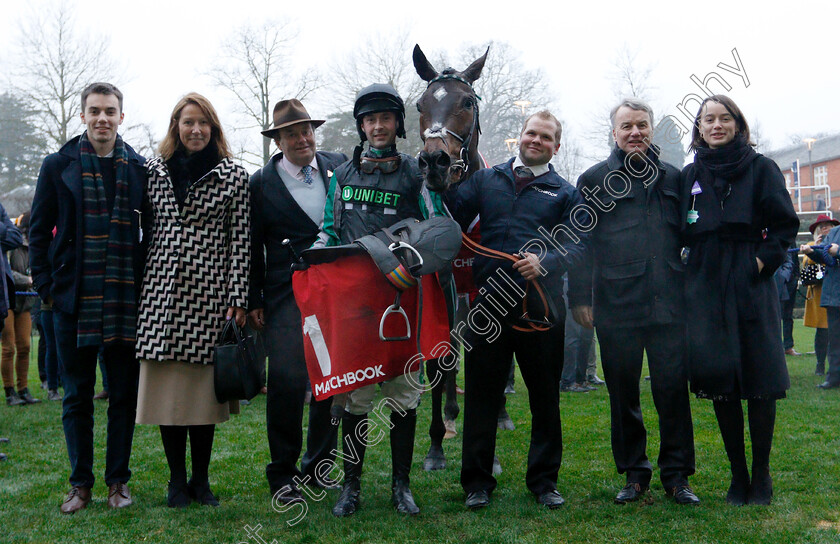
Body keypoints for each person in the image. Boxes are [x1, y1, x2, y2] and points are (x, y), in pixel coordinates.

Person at [444, 110, 588, 510]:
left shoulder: (565, 192)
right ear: (519, 137)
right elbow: (450, 211)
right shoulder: (486, 180)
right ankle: (476, 483)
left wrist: (547, 261)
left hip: (540, 308)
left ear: (556, 146)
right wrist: (446, 174)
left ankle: (544, 482)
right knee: (481, 397)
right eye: (531, 133)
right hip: (489, 304)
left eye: (545, 137)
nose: (536, 141)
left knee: (545, 398)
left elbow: (580, 245)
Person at [317, 83, 444, 517]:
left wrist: (439, 189)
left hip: (403, 302)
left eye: (384, 119)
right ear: (361, 126)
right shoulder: (342, 175)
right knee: (356, 399)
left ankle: (401, 486)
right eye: (369, 120)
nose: (376, 126)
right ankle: (350, 487)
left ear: (397, 124)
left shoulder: (415, 173)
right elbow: (329, 232)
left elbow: (437, 230)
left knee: (404, 395)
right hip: (356, 307)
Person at [569, 98, 698, 505]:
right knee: (623, 394)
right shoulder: (593, 180)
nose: (635, 132)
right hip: (616, 305)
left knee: (672, 391)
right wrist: (579, 298)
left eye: (642, 125)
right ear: (615, 133)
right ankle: (634, 473)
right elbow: (580, 245)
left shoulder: (674, 178)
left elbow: (689, 238)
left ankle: (677, 477)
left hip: (668, 304)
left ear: (652, 129)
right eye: (627, 126)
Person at [30, 82, 147, 513]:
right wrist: (47, 285)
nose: (102, 118)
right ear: (83, 115)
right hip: (71, 301)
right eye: (94, 110)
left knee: (122, 396)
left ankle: (118, 482)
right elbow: (38, 232)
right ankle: (80, 484)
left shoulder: (138, 167)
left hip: (123, 300)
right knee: (77, 396)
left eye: (110, 111)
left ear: (121, 115)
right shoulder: (57, 165)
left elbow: (149, 234)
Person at [681, 95, 798, 505]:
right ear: (699, 127)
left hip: (751, 282)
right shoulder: (690, 173)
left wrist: (760, 264)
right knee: (722, 383)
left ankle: (761, 475)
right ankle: (737, 475)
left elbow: (785, 226)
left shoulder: (761, 168)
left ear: (737, 123)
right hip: (706, 285)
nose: (716, 125)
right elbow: (680, 228)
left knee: (761, 379)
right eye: (707, 120)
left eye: (723, 118)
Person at [135, 93, 250, 508]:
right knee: (169, 396)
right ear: (175, 127)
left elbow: (240, 242)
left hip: (210, 295)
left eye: (203, 122)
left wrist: (237, 296)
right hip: (161, 293)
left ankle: (201, 481)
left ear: (214, 128)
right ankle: (175, 481)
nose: (196, 129)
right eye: (188, 122)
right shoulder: (152, 171)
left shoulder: (234, 177)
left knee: (203, 397)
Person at [248, 99, 345, 502]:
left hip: (334, 292)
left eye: (306, 131)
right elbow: (252, 246)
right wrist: (253, 297)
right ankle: (283, 475)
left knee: (329, 382)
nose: (302, 139)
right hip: (285, 296)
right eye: (291, 133)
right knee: (287, 385)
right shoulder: (260, 183)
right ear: (279, 140)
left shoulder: (337, 165)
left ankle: (319, 468)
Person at [3, 212, 39, 406]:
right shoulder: (10, 244)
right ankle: (9, 391)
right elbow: (8, 274)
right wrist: (28, 281)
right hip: (8, 300)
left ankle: (23, 389)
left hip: (24, 304)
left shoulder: (33, 246)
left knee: (24, 345)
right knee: (8, 347)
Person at [801, 215, 838, 376]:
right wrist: (813, 250)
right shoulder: (816, 243)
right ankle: (824, 368)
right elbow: (811, 262)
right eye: (821, 226)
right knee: (826, 334)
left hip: (832, 290)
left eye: (827, 225)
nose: (825, 228)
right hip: (823, 294)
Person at [775, 251, 800, 356]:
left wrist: (795, 277)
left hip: (790, 281)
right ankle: (777, 347)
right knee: (775, 316)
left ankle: (788, 346)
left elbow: (792, 260)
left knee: (787, 315)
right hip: (778, 280)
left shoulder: (791, 239)